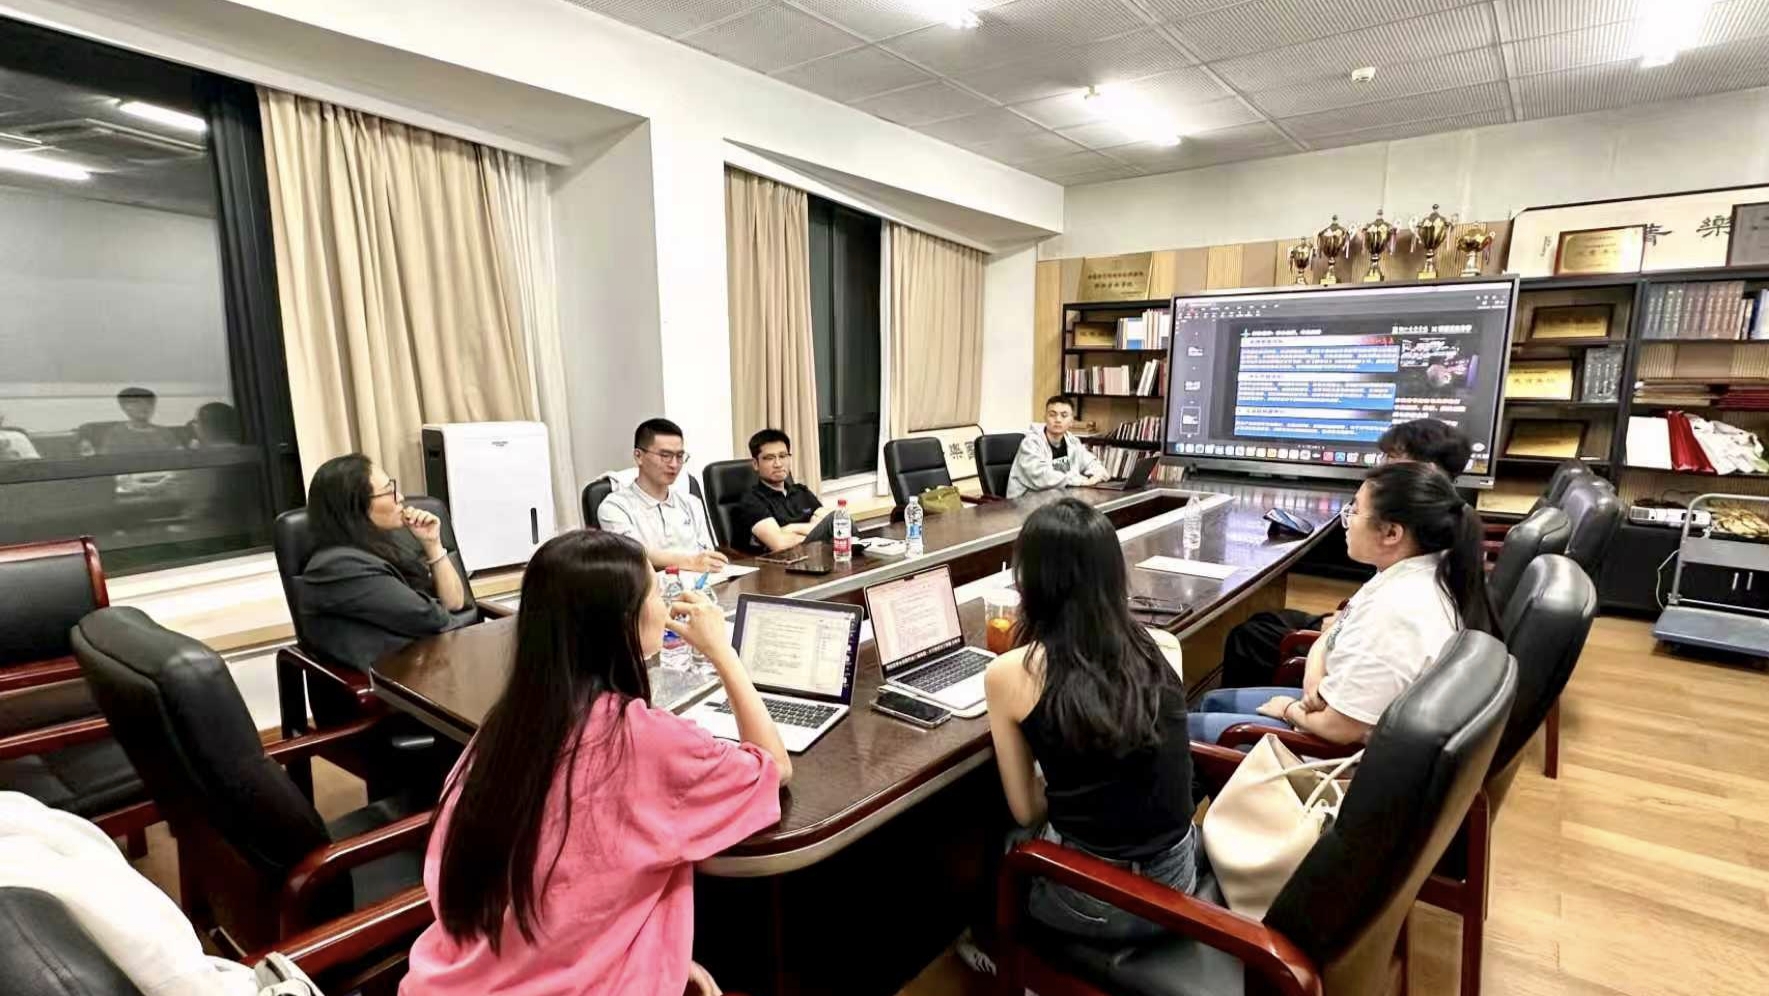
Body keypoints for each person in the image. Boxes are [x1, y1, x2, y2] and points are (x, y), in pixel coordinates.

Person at [401, 529, 791, 996]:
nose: (665, 602)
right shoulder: (642, 739)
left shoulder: (505, 727)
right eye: (655, 592)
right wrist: (723, 651)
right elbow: (772, 767)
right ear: (622, 621)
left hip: (459, 977)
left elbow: (561, 889)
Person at [981, 498, 1196, 943]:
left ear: (1030, 583)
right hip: (1180, 883)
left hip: (1101, 901)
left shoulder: (1009, 673)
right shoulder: (1157, 645)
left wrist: (1058, 775)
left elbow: (1027, 810)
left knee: (1004, 837)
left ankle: (991, 946)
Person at [1188, 461, 1499, 746]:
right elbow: (1331, 635)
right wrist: (1314, 683)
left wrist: (1289, 708)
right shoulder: (1416, 572)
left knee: (1182, 731)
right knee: (1210, 702)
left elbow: (1339, 729)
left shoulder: (1398, 612)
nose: (1346, 520)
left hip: (1328, 756)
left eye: (1355, 511)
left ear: (1391, 532)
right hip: (1330, 708)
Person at [1218, 417, 1475, 687]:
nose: (1381, 466)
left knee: (1250, 636)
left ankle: (1235, 705)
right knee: (1265, 620)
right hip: (1356, 627)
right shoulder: (1446, 522)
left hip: (1358, 656)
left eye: (1392, 458)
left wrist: (1342, 629)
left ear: (1425, 469)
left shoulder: (1414, 550)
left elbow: (1383, 625)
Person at [296, 454, 474, 672]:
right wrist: (472, 637)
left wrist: (433, 544)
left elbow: (454, 603)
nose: (400, 497)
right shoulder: (338, 566)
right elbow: (430, 618)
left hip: (428, 663)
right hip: (398, 679)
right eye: (389, 491)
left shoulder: (380, 547)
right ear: (356, 506)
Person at [598, 418, 727, 573]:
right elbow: (635, 554)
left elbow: (707, 552)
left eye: (680, 456)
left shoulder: (691, 503)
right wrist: (691, 562)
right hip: (650, 584)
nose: (674, 464)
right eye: (665, 455)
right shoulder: (615, 507)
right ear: (639, 456)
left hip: (702, 582)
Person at [733, 428, 829, 554]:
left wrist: (790, 528)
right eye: (769, 458)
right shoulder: (752, 501)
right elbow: (780, 544)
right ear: (756, 464)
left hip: (813, 557)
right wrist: (817, 531)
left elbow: (831, 525)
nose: (778, 464)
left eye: (783, 456)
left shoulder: (801, 491)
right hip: (778, 564)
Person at [1006, 396, 1110, 499]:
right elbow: (1042, 476)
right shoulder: (1031, 443)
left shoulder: (1072, 442)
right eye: (1052, 415)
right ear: (1045, 417)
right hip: (1026, 501)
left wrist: (1097, 475)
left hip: (1058, 497)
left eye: (1064, 415)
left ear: (1072, 421)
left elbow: (1091, 463)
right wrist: (1080, 481)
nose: (1058, 419)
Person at [77, 387, 182, 455]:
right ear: (124, 407)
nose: (144, 406)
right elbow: (107, 462)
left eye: (149, 402)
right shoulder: (116, 433)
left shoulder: (164, 431)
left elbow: (180, 456)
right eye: (136, 402)